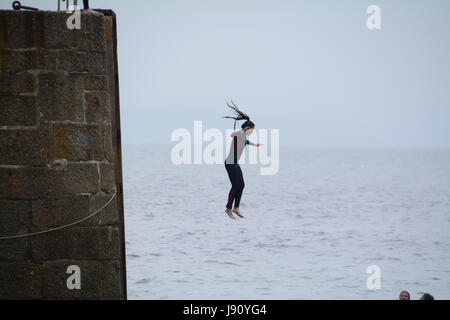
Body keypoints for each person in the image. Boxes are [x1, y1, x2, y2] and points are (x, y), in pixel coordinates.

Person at [222, 101, 262, 220]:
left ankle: (236, 207)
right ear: (247, 128)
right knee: (235, 185)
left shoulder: (243, 137)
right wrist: (241, 132)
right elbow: (232, 135)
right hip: (230, 163)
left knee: (242, 184)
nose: (252, 132)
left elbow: (245, 142)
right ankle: (228, 209)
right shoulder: (239, 134)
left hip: (234, 163)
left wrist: (255, 145)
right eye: (252, 130)